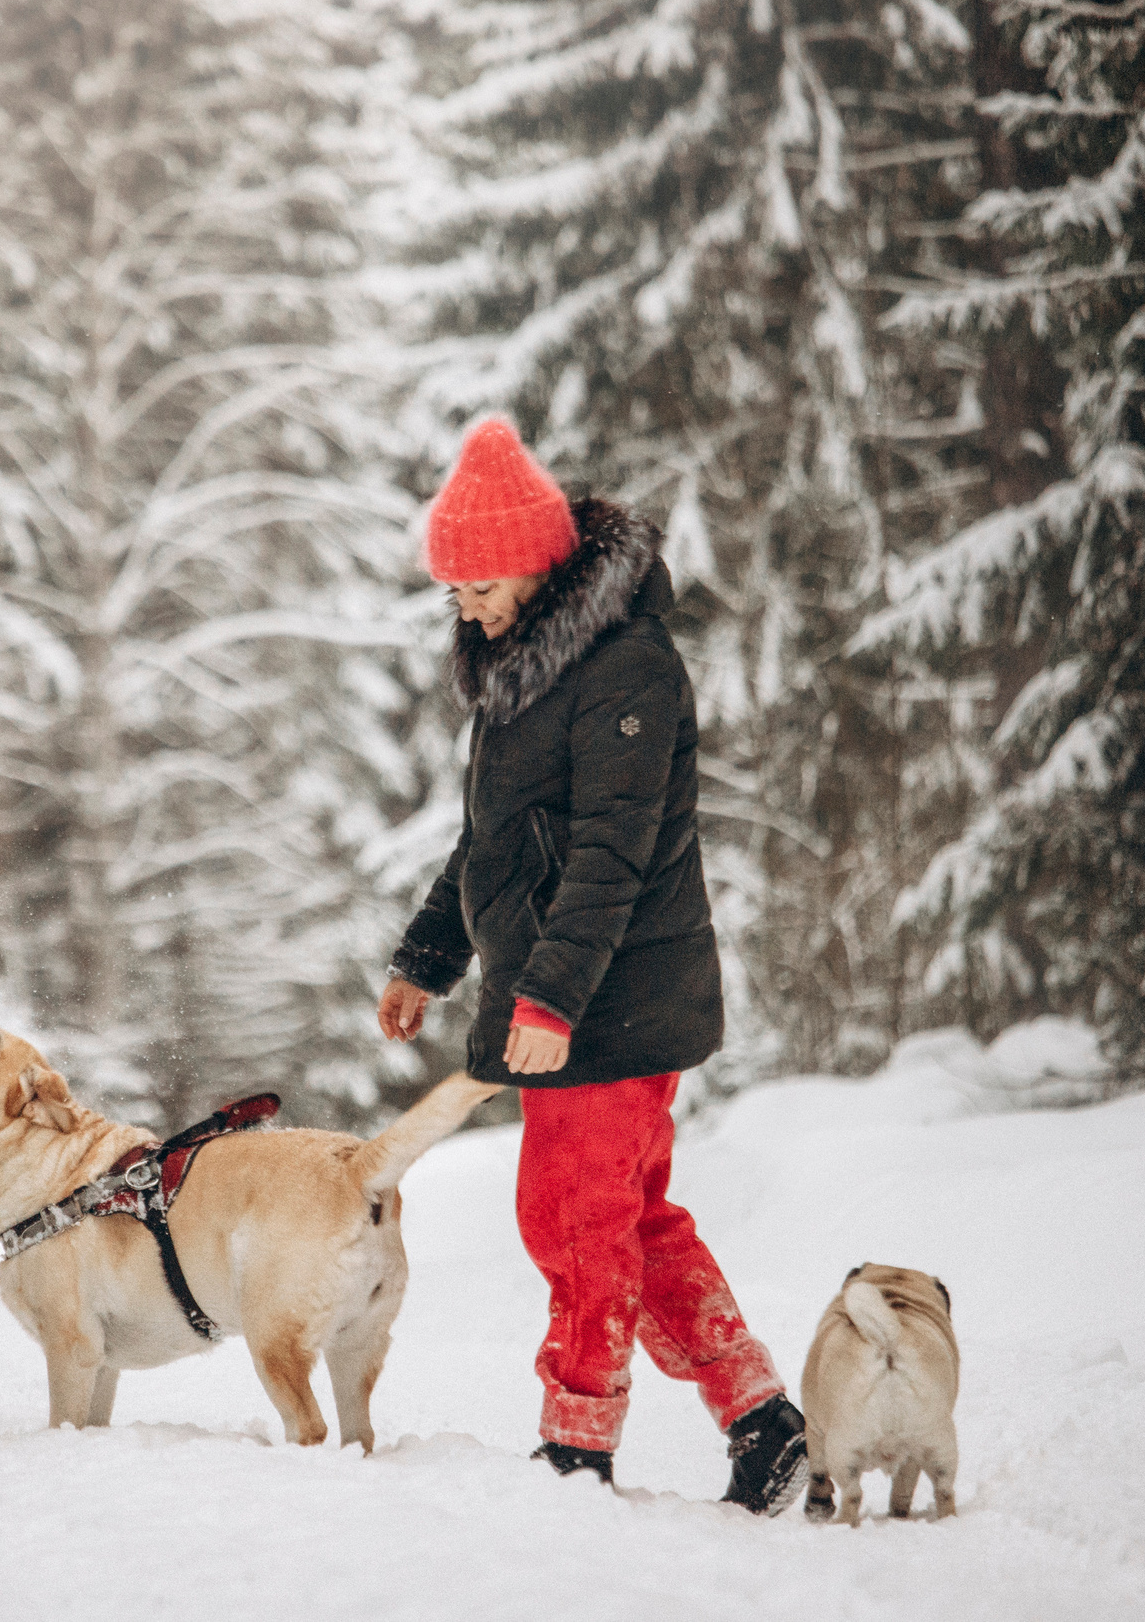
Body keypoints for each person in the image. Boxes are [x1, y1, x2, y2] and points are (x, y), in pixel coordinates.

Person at [376, 417, 809, 1513]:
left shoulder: (624, 668)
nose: (464, 608)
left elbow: (611, 855)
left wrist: (550, 997)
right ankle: (762, 1420)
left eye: (477, 584)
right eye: (454, 592)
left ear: (535, 558)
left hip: (611, 998)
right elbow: (497, 841)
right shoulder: (527, 670)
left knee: (574, 1223)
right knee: (620, 1221)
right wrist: (428, 956)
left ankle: (577, 1448)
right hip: (577, 998)